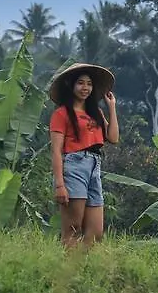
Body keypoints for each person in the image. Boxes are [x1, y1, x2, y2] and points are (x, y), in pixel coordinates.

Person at [48, 62, 119, 247]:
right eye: (80, 83)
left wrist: (111, 107)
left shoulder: (95, 112)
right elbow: (56, 150)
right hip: (74, 165)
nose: (85, 87)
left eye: (89, 83)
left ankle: (82, 269)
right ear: (71, 85)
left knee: (95, 232)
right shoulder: (61, 114)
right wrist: (59, 185)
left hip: (95, 165)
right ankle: (68, 272)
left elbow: (113, 137)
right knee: (73, 228)